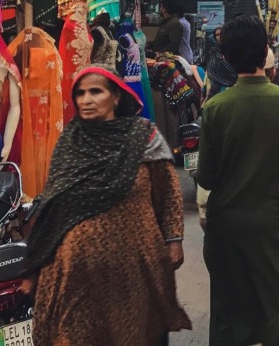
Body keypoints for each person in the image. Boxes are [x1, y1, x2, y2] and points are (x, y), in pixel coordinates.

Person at [25, 66, 191, 344]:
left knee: (135, 333)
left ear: (116, 96)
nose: (86, 100)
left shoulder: (143, 137)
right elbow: (53, 207)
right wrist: (35, 264)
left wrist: (174, 239)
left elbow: (169, 191)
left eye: (95, 91)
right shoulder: (70, 142)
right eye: (80, 93)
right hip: (78, 276)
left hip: (135, 270)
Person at [197, 16, 279, 345]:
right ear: (266, 51)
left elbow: (206, 176)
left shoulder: (214, 108)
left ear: (226, 58)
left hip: (229, 228)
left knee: (230, 316)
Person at [204, 26, 237, 101]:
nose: (220, 36)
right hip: (215, 88)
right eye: (217, 35)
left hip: (232, 88)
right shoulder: (213, 52)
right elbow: (209, 69)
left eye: (222, 33)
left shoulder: (234, 51)